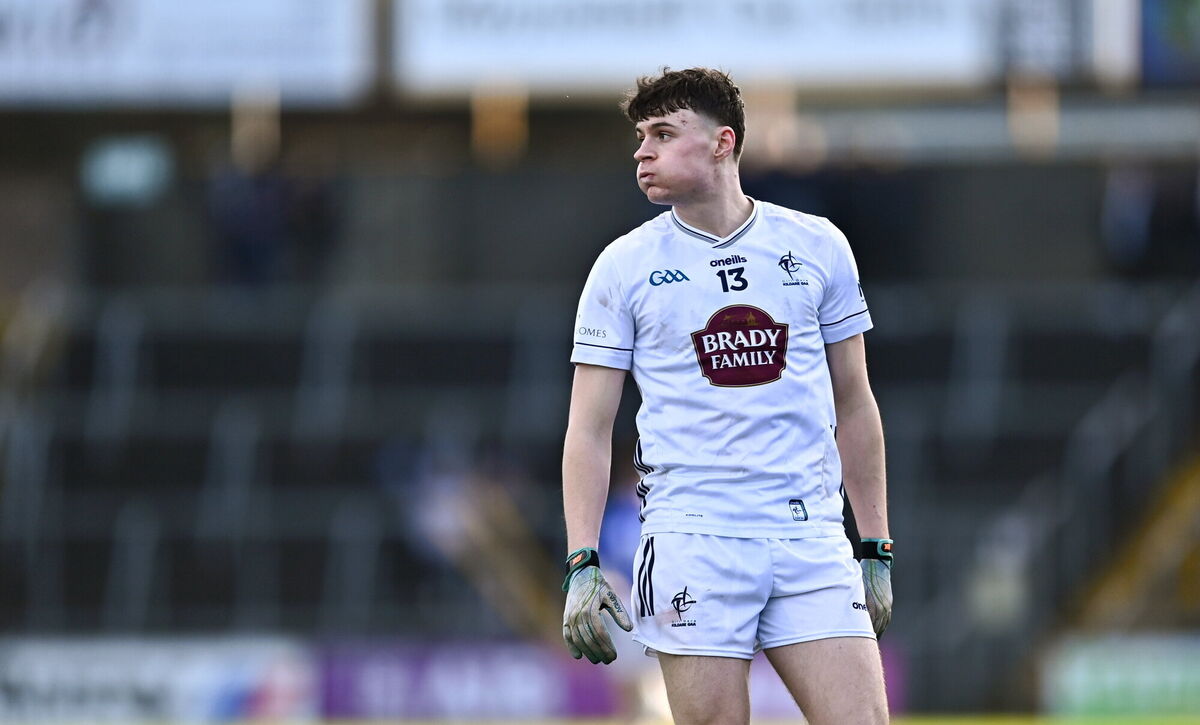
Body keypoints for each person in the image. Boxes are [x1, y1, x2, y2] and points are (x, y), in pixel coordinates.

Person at [560, 68, 893, 725]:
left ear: (721, 143)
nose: (642, 151)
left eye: (663, 133)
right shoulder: (621, 267)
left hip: (809, 536)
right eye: (639, 136)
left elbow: (855, 403)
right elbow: (589, 429)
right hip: (693, 538)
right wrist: (581, 560)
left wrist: (875, 543)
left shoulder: (818, 246)